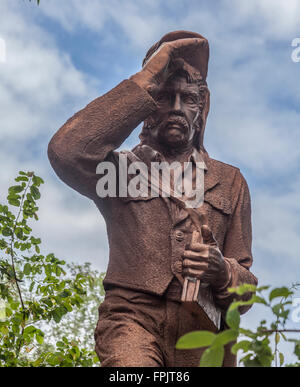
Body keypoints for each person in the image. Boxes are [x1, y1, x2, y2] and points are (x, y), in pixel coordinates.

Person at [48, 30, 258, 367]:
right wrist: (146, 77)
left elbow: (246, 291)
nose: (177, 107)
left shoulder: (229, 181)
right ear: (148, 107)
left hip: (203, 339)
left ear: (200, 111)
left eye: (189, 98)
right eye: (164, 96)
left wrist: (222, 272)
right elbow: (67, 151)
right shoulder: (120, 171)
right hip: (132, 323)